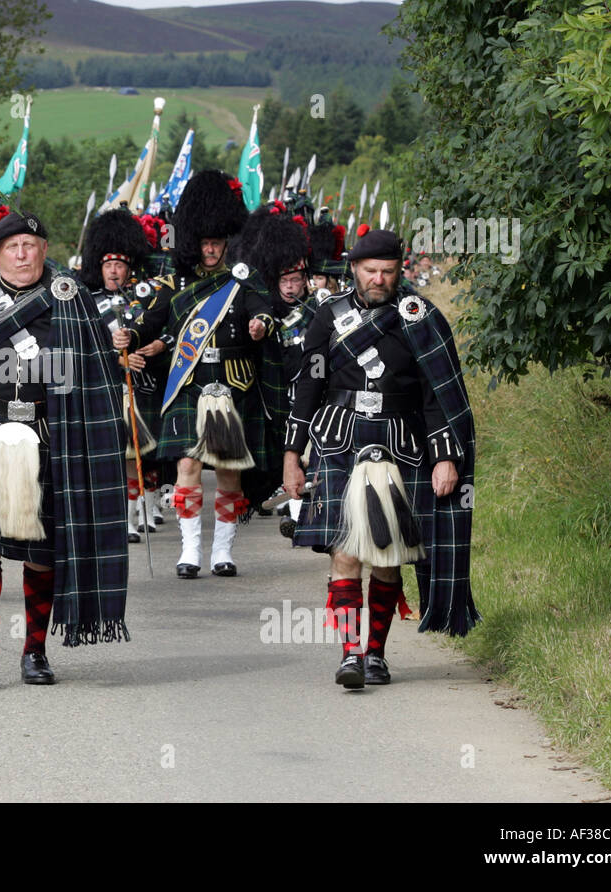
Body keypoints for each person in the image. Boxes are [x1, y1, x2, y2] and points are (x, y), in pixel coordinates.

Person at [0, 211, 130, 687]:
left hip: (48, 435)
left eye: (32, 245)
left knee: (42, 551)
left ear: (44, 250)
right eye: (12, 247)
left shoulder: (70, 296)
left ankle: (35, 652)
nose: (23, 254)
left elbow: (98, 373)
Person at [281, 228, 478, 689]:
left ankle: (376, 654)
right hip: (339, 440)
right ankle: (350, 654)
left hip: (400, 441)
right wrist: (292, 455)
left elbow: (439, 395)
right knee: (346, 551)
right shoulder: (328, 315)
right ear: (353, 269)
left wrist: (446, 456)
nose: (378, 279)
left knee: (387, 555)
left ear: (398, 271)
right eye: (370, 271)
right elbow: (307, 387)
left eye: (388, 271)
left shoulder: (419, 317)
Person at [157, 171, 274, 579]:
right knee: (187, 466)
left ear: (227, 241)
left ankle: (222, 551)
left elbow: (264, 308)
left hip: (233, 382)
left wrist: (260, 323)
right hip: (190, 384)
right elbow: (152, 321)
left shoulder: (243, 280)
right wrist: (131, 336)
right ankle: (190, 550)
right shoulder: (178, 284)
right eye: (204, 243)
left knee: (229, 470)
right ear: (195, 242)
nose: (210, 249)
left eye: (217, 242)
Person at [78, 208, 164, 544]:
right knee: (115, 456)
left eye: (120, 265)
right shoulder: (88, 302)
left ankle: (138, 513)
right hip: (108, 385)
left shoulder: (143, 301)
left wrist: (148, 348)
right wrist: (116, 359)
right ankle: (122, 520)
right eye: (108, 265)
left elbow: (165, 331)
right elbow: (84, 346)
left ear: (129, 268)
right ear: (99, 267)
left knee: (142, 456)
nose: (113, 270)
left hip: (141, 387)